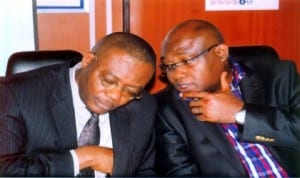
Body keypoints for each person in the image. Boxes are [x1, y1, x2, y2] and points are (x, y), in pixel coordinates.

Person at [155, 19, 300, 177]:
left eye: (186, 61)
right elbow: (179, 172)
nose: (176, 75)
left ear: (220, 53)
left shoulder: (279, 76)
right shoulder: (168, 109)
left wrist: (241, 113)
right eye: (169, 66)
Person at [0, 32, 157, 177]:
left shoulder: (143, 107)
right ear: (88, 61)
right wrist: (85, 157)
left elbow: (145, 172)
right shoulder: (14, 93)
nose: (115, 97)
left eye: (130, 91)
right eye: (109, 81)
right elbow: (4, 170)